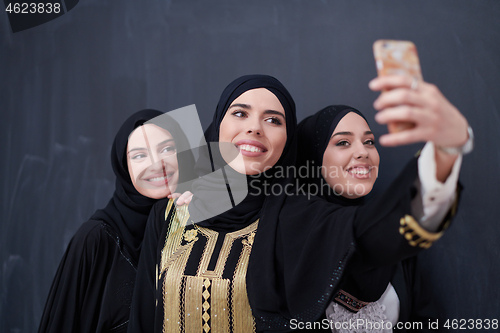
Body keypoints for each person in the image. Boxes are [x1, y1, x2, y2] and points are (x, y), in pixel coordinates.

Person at [128, 74, 469, 333]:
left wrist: (445, 151)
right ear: (218, 125)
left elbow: (372, 233)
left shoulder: (296, 214)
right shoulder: (171, 212)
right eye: (240, 113)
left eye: (273, 120)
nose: (255, 129)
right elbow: (144, 314)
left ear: (287, 140)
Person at [296, 104, 461, 332]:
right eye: (343, 142)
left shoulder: (395, 239)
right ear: (313, 160)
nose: (363, 152)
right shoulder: (292, 245)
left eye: (369, 142)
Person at [38, 109, 195, 333]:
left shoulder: (201, 227)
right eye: (139, 155)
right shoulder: (95, 239)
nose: (157, 163)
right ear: (124, 167)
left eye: (167, 149)